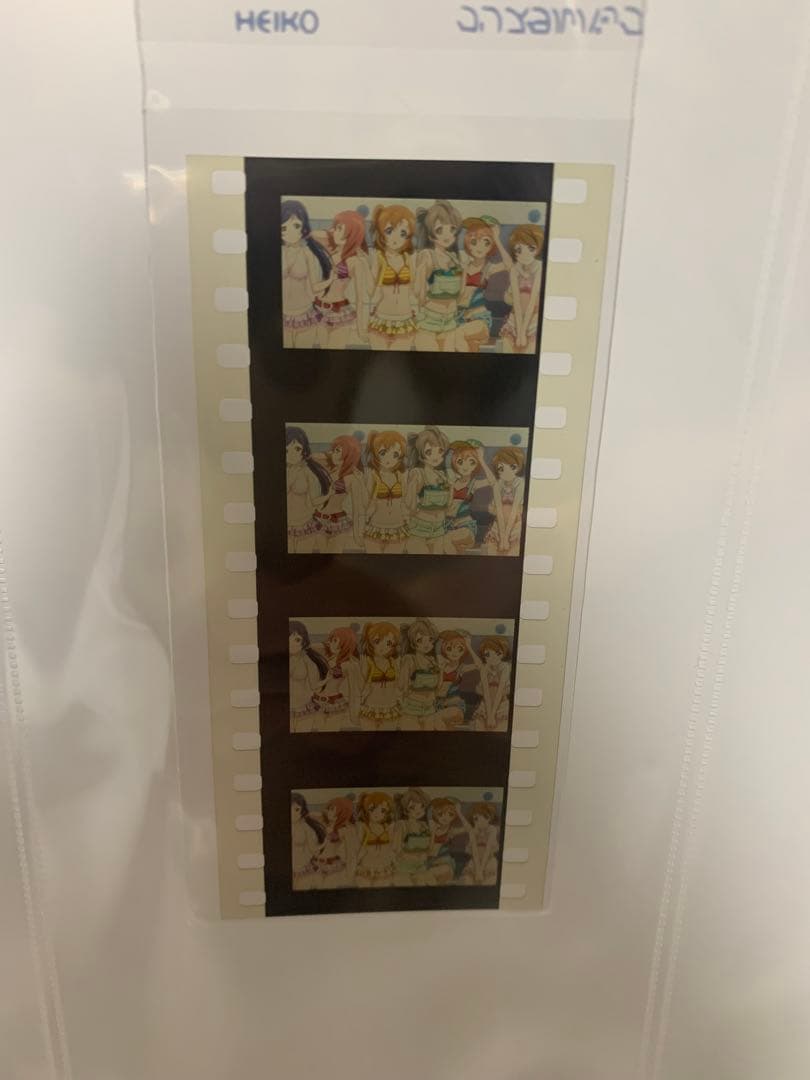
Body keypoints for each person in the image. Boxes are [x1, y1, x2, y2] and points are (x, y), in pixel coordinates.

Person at [312, 210, 370, 349]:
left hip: (340, 311)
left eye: (341, 230)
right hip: (319, 308)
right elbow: (311, 234)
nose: (336, 232)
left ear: (352, 235)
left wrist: (361, 328)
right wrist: (332, 231)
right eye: (337, 228)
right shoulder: (330, 251)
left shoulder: (356, 261)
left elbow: (360, 298)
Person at [414, 200, 464, 352]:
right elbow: (418, 289)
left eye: (452, 229)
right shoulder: (427, 255)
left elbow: (460, 292)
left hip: (450, 320)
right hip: (430, 319)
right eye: (440, 230)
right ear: (430, 236)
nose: (447, 235)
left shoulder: (455, 259)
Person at [281, 199, 331, 347]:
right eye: (284, 228)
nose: (290, 233)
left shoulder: (307, 253)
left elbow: (314, 287)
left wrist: (331, 280)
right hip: (282, 316)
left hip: (305, 314)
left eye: (296, 226)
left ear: (304, 228)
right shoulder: (277, 252)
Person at [367, 205, 418, 350]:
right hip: (382, 317)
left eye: (402, 233)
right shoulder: (378, 258)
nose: (396, 238)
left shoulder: (408, 258)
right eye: (389, 231)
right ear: (380, 233)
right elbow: (371, 291)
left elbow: (414, 289)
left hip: (405, 318)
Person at [405, 426, 451, 555]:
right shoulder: (418, 473)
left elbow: (448, 505)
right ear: (421, 455)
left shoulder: (442, 475)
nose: (436, 456)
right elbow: (409, 502)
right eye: (429, 452)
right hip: (419, 527)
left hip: (439, 528)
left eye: (440, 451)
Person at [500, 223, 544, 354]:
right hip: (515, 319)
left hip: (534, 320)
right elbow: (516, 303)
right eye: (519, 250)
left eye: (530, 248)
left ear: (537, 249)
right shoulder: (515, 270)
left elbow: (532, 302)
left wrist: (523, 332)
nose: (525, 254)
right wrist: (519, 332)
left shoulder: (540, 268)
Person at [286, 426, 331, 553]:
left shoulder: (308, 473)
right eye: (286, 450)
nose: (291, 455)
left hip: (305, 524)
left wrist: (329, 494)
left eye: (297, 449)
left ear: (304, 451)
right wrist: (290, 479)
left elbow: (314, 501)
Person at [483, 446, 526, 556]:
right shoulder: (498, 484)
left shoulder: (520, 483)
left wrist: (506, 537)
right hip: (498, 525)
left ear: (517, 467)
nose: (506, 472)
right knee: (491, 552)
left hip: (516, 525)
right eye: (501, 469)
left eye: (512, 467)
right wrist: (502, 538)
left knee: (513, 553)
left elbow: (514, 510)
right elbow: (499, 511)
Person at [288, 621, 329, 733]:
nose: (291, 644)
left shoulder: (308, 661)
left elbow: (314, 685)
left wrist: (327, 679)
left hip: (304, 709)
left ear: (304, 642)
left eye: (297, 640)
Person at [291, 793, 325, 890]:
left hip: (303, 870)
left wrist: (325, 842)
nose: (293, 813)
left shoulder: (306, 828)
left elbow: (314, 850)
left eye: (297, 809)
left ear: (302, 811)